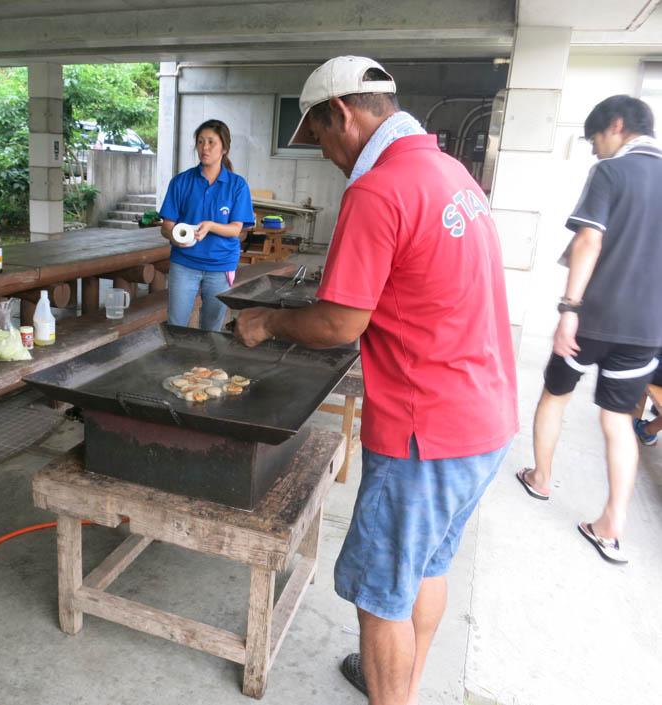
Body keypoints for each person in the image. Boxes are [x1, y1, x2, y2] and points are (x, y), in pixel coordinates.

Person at [234, 55, 518, 705]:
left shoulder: (378, 187)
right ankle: (405, 688)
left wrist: (269, 322)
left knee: (379, 597)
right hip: (486, 417)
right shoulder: (452, 174)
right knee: (427, 566)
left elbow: (339, 322)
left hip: (426, 430)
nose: (329, 157)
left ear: (343, 113)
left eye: (323, 139)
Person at [517, 95, 662, 565]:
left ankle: (540, 478)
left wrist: (569, 309)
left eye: (597, 138)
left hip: (594, 319)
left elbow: (589, 239)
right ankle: (611, 525)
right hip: (647, 329)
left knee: (555, 395)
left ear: (616, 126)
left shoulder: (612, 173)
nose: (596, 149)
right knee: (618, 421)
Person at [158, 119, 254, 330]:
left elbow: (236, 229)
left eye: (211, 142)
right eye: (201, 142)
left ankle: (206, 364)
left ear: (225, 148)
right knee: (176, 325)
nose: (205, 148)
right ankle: (176, 362)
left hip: (221, 266)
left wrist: (210, 226)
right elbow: (166, 226)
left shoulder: (237, 185)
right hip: (184, 263)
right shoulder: (181, 182)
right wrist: (173, 236)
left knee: (212, 328)